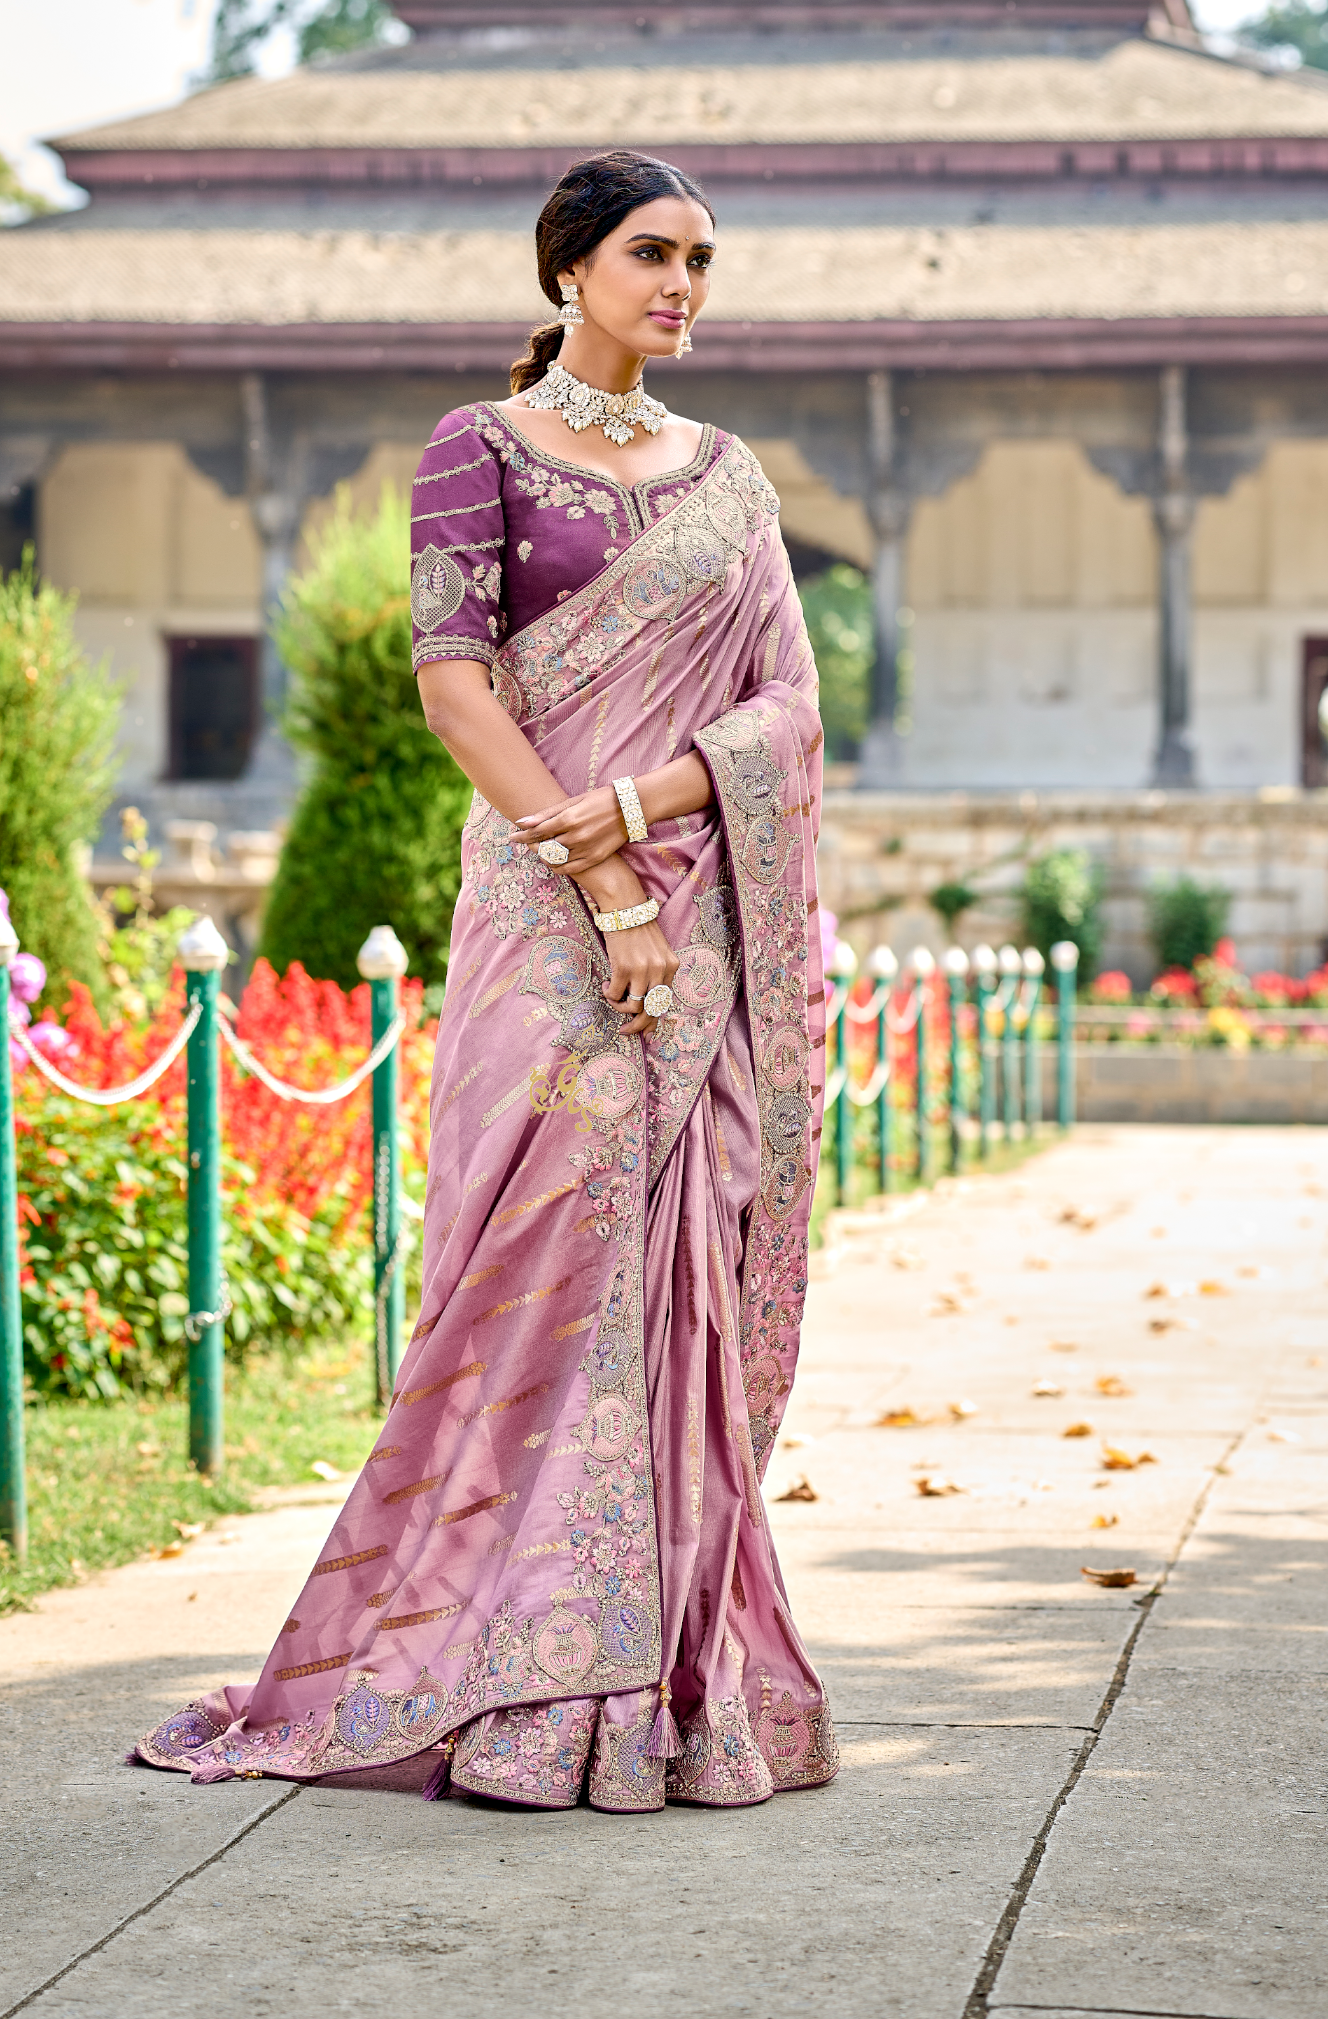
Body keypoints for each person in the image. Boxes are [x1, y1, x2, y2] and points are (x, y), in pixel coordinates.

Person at [134, 149, 836, 1811]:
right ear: (569, 269)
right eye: (655, 254)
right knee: (538, 1265)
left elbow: (790, 712)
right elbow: (456, 689)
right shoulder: (479, 449)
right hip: (542, 921)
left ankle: (659, 1681)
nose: (685, 286)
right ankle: (509, 1669)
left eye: (705, 262)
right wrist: (602, 878)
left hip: (700, 917)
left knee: (677, 1264)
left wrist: (648, 812)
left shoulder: (730, 478)